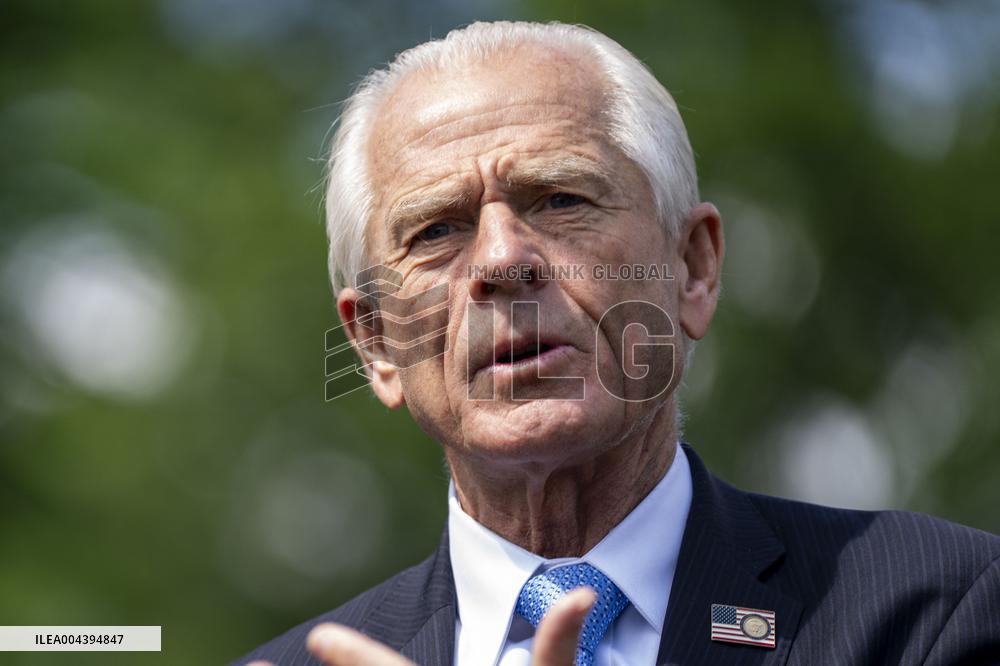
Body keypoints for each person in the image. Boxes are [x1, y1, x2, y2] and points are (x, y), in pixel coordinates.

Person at [233, 21, 1000, 666]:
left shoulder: (934, 612)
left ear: (693, 268)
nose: (501, 260)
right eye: (436, 230)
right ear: (375, 341)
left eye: (559, 199)